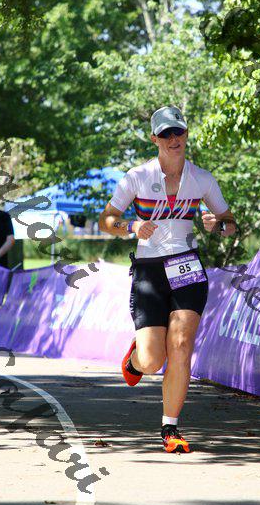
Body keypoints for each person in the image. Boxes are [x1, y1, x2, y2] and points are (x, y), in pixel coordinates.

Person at [99, 105, 236, 453]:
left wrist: (218, 225)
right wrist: (131, 226)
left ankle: (170, 428)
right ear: (154, 139)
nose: (174, 139)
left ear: (186, 133)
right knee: (151, 361)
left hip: (187, 267)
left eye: (178, 132)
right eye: (165, 134)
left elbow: (230, 223)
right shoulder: (136, 177)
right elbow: (107, 220)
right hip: (149, 270)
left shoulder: (202, 178)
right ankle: (135, 358)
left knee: (182, 344)